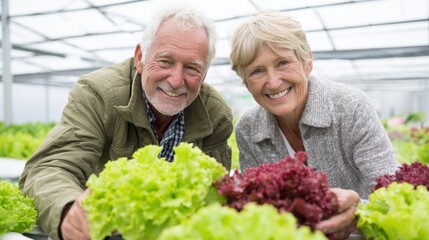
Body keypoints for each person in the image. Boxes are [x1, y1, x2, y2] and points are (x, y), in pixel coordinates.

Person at [19, 4, 233, 240]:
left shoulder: (215, 114)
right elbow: (50, 168)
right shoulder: (98, 94)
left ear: (205, 74)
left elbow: (215, 194)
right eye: (165, 62)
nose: (176, 80)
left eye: (192, 68)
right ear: (140, 58)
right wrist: (68, 209)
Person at [229, 11, 399, 239]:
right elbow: (258, 209)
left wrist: (357, 213)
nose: (273, 82)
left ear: (307, 62)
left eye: (283, 63)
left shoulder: (350, 107)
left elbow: (393, 197)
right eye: (257, 71)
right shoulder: (248, 129)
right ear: (246, 82)